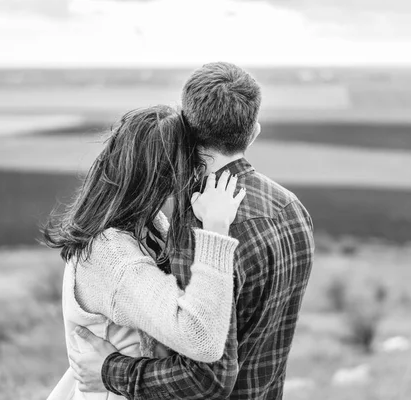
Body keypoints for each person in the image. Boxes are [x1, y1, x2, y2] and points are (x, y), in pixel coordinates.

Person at [69, 62, 315, 399]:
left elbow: (207, 380)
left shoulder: (203, 228)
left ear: (188, 132)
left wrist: (109, 371)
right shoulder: (291, 207)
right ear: (254, 130)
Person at [42, 104, 246, 400]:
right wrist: (215, 231)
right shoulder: (111, 256)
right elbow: (201, 339)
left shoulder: (146, 225)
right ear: (165, 175)